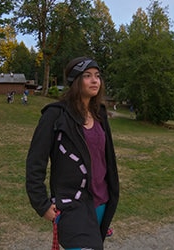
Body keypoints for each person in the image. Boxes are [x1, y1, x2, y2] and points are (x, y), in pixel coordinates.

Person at [26, 57, 119, 249]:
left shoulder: (100, 114)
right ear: (75, 81)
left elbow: (107, 158)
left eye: (97, 76)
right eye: (87, 76)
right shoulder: (55, 115)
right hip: (72, 204)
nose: (95, 81)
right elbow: (35, 162)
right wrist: (41, 204)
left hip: (102, 202)